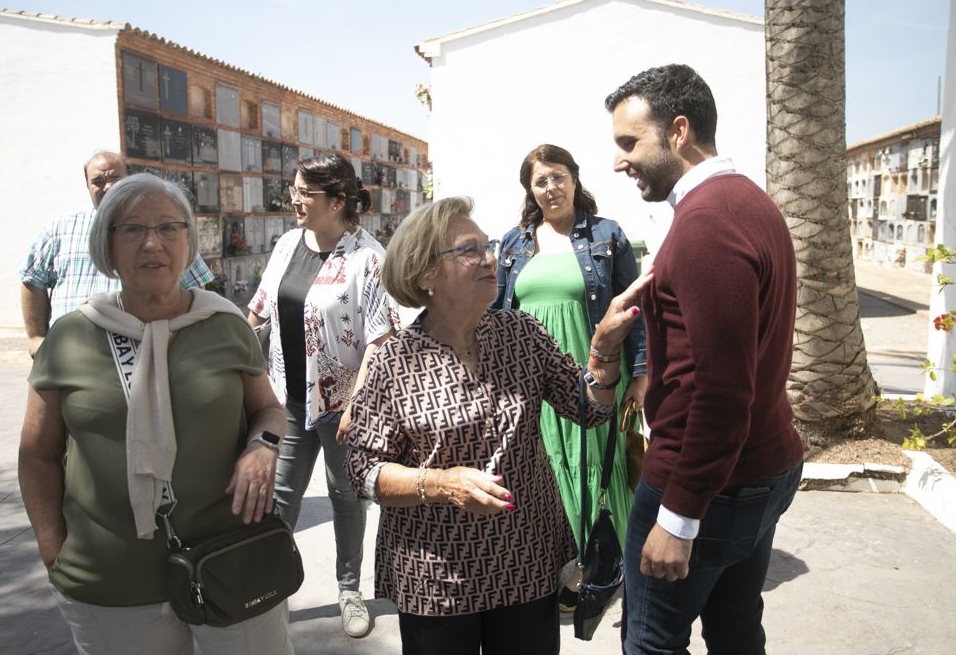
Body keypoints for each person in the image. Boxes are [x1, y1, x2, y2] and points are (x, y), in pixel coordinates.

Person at [345, 197, 652, 655]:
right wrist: (441, 483)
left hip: (526, 561)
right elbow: (362, 469)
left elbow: (591, 410)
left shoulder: (520, 333)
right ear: (426, 274)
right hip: (437, 576)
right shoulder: (395, 359)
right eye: (470, 250)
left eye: (487, 246)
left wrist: (604, 350)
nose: (490, 257)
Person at [18, 173, 294, 654]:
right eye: (132, 229)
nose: (153, 243)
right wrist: (52, 548)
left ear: (188, 241)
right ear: (107, 244)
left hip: (232, 560)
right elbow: (37, 454)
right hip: (110, 578)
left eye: (169, 228)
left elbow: (268, 410)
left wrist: (261, 448)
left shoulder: (224, 323)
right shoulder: (70, 337)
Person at [604, 64, 805, 653]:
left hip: (709, 483)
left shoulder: (707, 225)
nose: (619, 161)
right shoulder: (745, 202)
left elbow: (718, 393)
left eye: (628, 142)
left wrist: (679, 516)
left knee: (650, 641)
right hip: (754, 469)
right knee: (735, 625)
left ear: (678, 132)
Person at [247, 152, 397, 639]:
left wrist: (356, 406)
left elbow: (380, 340)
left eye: (303, 192)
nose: (293, 198)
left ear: (336, 201)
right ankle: (269, 590)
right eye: (293, 188)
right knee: (280, 497)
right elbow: (260, 311)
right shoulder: (289, 242)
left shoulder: (368, 257)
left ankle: (350, 589)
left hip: (343, 408)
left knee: (346, 496)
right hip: (286, 399)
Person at [494, 144, 647, 611]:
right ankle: (564, 563)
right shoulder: (514, 241)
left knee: (593, 471)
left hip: (593, 376)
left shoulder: (606, 235)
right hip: (533, 383)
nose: (550, 187)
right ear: (530, 191)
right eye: (540, 182)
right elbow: (500, 313)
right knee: (545, 470)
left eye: (557, 177)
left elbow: (636, 313)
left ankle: (598, 564)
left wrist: (640, 374)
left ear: (575, 179)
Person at [19, 151, 214, 358]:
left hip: (144, 352)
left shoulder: (166, 231)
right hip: (69, 351)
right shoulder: (60, 229)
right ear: (87, 186)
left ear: (129, 180)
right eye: (98, 181)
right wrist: (35, 338)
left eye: (115, 179)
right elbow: (33, 279)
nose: (108, 186)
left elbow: (194, 285)